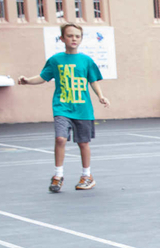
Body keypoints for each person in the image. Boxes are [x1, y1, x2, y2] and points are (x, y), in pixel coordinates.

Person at [16, 23, 110, 192]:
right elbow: (43, 77)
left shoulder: (86, 61)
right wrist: (27, 81)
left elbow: (93, 80)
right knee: (60, 139)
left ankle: (87, 176)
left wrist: (101, 96)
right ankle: (58, 175)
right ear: (62, 39)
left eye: (77, 36)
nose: (74, 39)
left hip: (83, 109)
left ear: (81, 39)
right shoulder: (55, 60)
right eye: (70, 36)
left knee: (83, 143)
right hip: (62, 107)